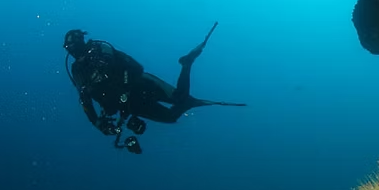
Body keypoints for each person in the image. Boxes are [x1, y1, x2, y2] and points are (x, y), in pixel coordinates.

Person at [63, 23, 245, 153]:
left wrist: (125, 90)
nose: (71, 50)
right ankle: (189, 101)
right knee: (172, 117)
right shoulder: (77, 70)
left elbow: (133, 66)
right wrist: (97, 123)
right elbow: (84, 98)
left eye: (73, 45)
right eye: (68, 47)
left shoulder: (100, 49)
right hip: (130, 106)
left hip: (142, 85)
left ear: (81, 41)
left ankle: (186, 63)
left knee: (179, 98)